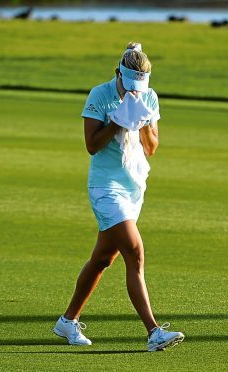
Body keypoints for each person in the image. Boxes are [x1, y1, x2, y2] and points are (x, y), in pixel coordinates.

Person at [53, 42, 184, 352]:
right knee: (135, 253)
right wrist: (117, 121)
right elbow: (91, 145)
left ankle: (67, 321)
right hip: (105, 187)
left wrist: (141, 122)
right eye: (130, 84)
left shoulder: (148, 96)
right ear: (118, 74)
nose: (134, 91)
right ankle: (153, 332)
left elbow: (151, 147)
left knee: (101, 259)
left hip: (132, 186)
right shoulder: (100, 94)